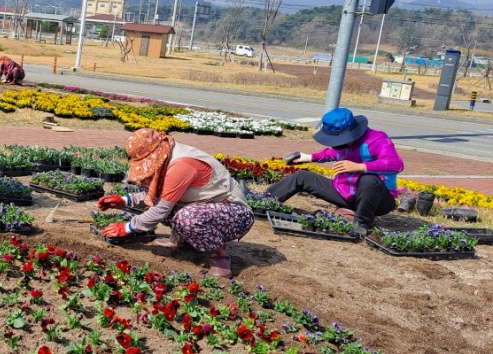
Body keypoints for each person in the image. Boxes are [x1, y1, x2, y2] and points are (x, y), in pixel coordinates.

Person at [97, 128, 253, 279]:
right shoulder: (168, 157)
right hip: (206, 207)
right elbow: (157, 194)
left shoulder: (181, 165)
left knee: (187, 217)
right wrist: (124, 200)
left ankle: (219, 258)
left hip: (234, 214)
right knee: (174, 208)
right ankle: (182, 240)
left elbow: (161, 209)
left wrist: (127, 227)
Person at [265, 107, 403, 235]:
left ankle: (361, 225)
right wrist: (308, 157)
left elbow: (396, 164)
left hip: (378, 200)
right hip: (347, 193)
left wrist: (360, 167)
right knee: (302, 176)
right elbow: (330, 153)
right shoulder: (342, 145)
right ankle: (264, 201)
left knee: (369, 179)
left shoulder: (378, 140)